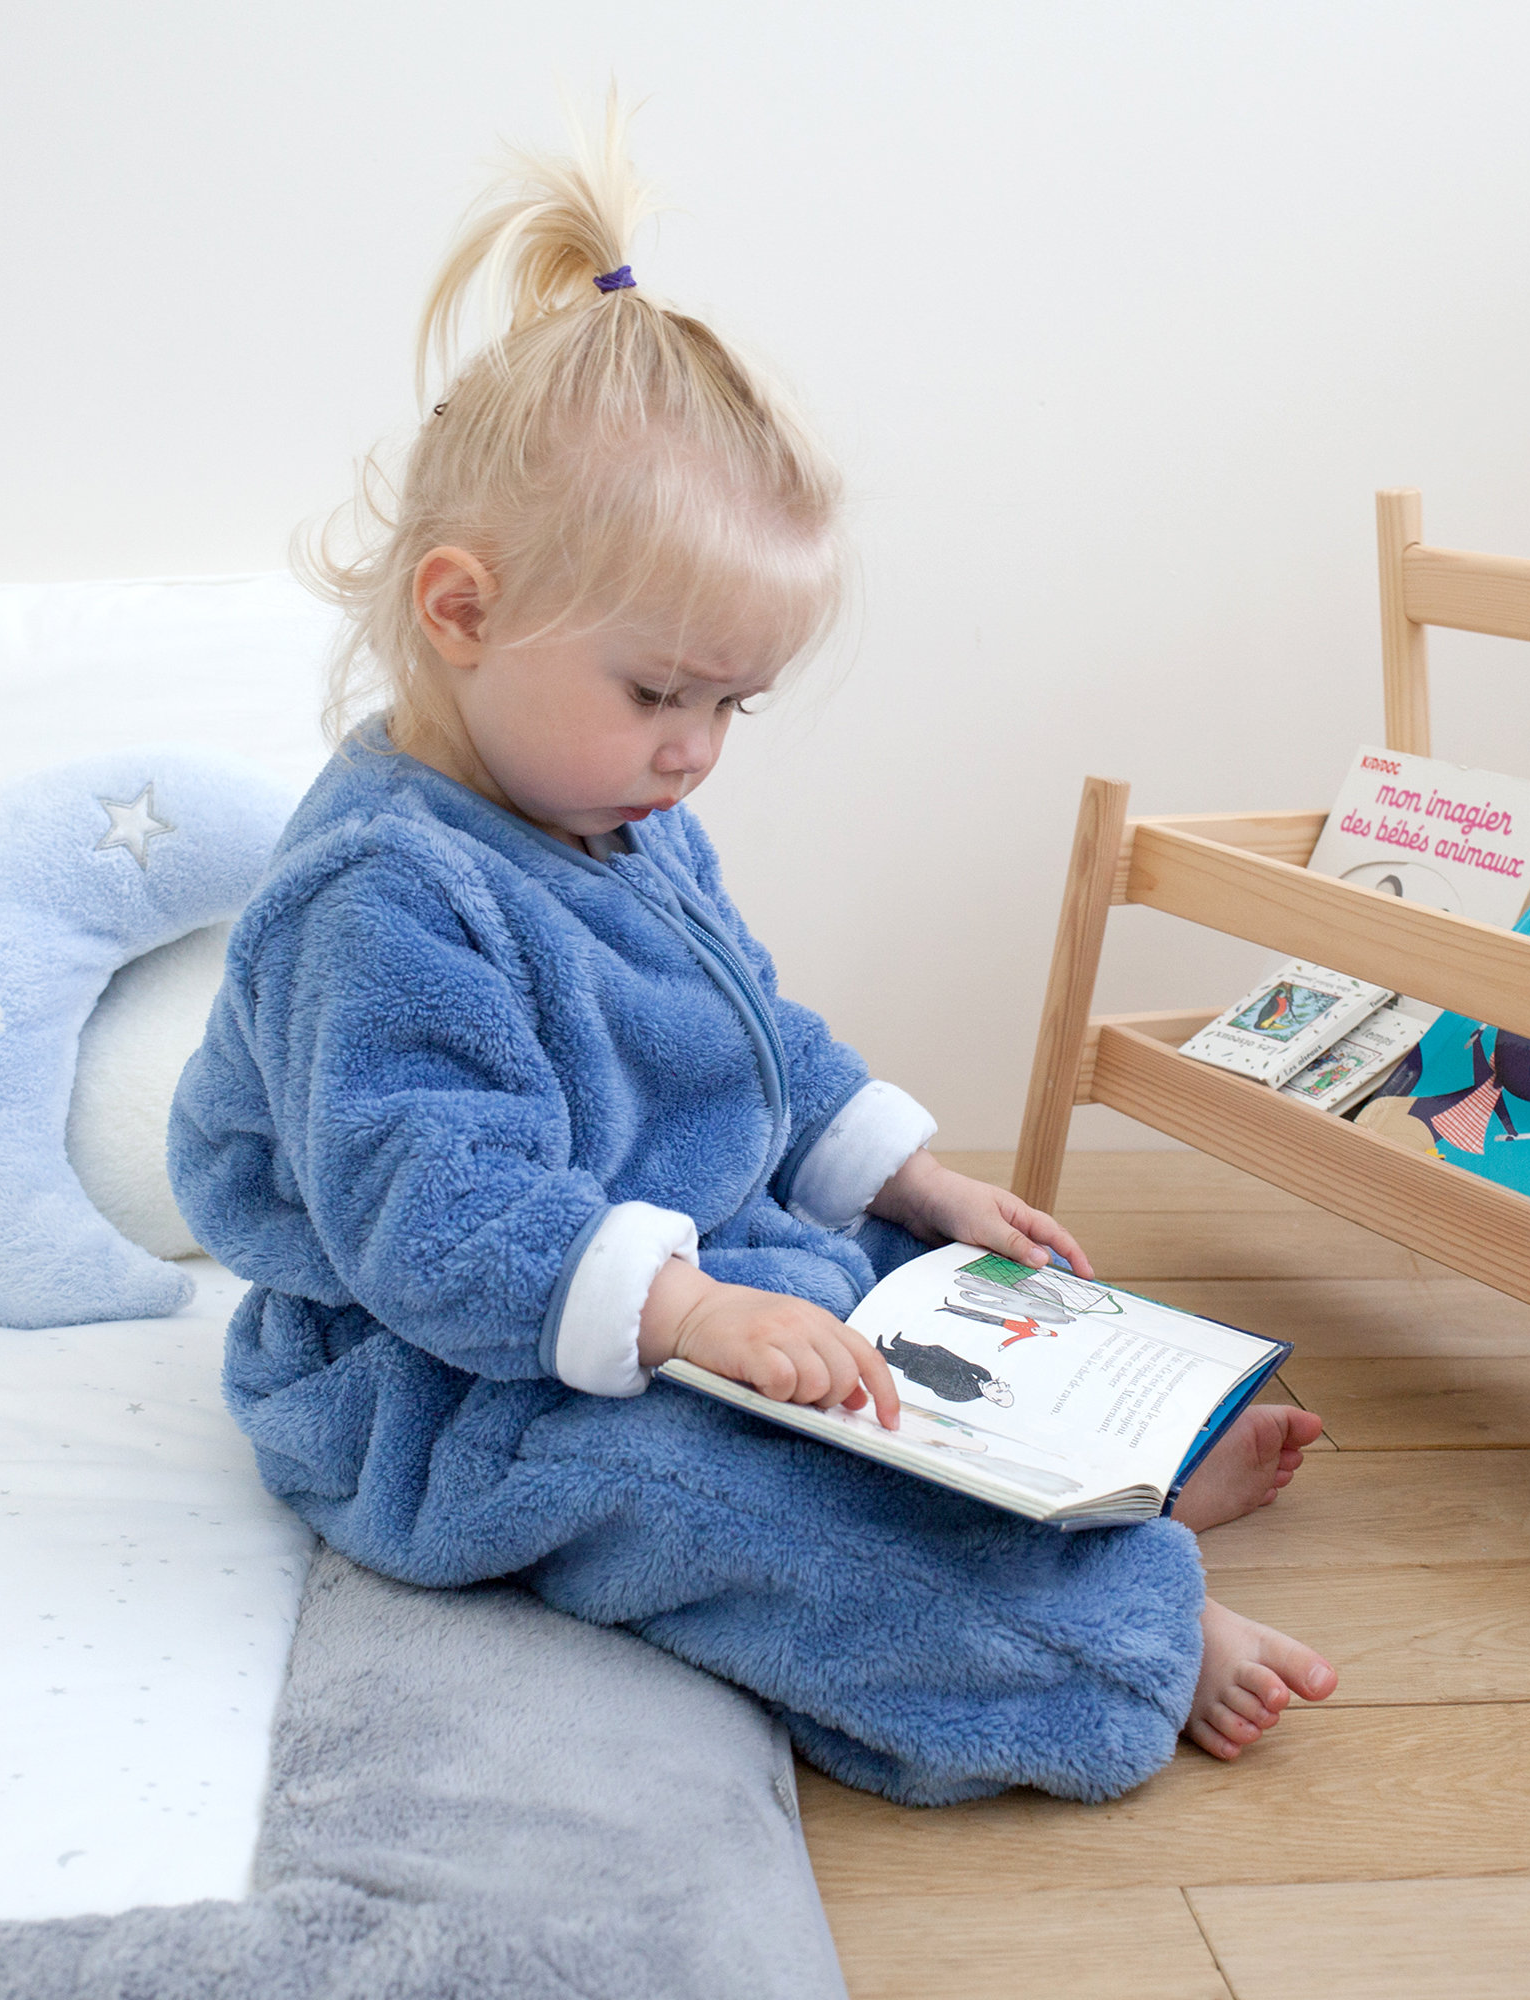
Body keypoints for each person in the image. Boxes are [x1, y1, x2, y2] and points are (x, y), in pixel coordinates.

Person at [169, 105, 1335, 1804]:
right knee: (746, 1502)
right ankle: (1113, 1630)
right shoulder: (380, 900)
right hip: (455, 1378)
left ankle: (1110, 1475)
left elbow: (746, 1030)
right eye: (661, 692)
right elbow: (438, 1221)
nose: (697, 749)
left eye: (735, 704)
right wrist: (695, 1314)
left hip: (678, 1255)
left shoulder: (613, 809)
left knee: (939, 1290)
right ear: (462, 611)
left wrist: (913, 1177)